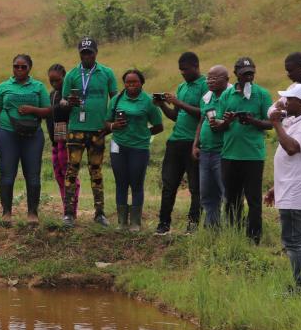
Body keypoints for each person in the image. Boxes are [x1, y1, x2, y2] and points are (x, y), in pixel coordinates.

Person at [265, 84, 301, 293]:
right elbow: (298, 163)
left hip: (297, 193)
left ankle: (300, 289)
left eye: (289, 99)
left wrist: (276, 124)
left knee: (294, 242)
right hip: (295, 189)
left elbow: (291, 148)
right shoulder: (300, 122)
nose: (285, 102)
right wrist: (275, 188)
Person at [213, 57, 272, 244]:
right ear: (236, 73)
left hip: (253, 156)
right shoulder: (226, 95)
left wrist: (253, 121)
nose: (249, 76)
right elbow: (218, 125)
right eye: (245, 73)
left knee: (254, 200)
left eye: (251, 73)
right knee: (231, 198)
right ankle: (234, 234)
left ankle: (254, 238)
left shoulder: (262, 94)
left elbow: (271, 123)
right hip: (230, 155)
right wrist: (228, 121)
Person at [0, 54, 51, 222]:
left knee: (33, 174)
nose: (19, 70)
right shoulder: (3, 87)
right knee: (7, 173)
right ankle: (6, 213)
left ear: (30, 68)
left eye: (24, 67)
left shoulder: (38, 86)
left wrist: (32, 110)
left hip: (33, 135)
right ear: (12, 67)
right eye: (16, 66)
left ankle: (32, 213)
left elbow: (48, 110)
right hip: (7, 133)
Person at [61, 37, 116, 227]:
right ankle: (68, 213)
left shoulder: (107, 73)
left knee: (96, 171)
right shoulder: (72, 74)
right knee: (71, 170)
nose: (87, 56)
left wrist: (110, 123)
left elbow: (114, 98)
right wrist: (69, 102)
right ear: (79, 53)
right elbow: (62, 101)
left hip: (98, 131)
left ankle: (100, 213)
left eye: (90, 52)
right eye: (83, 52)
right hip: (76, 129)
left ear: (96, 53)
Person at [154, 52, 206, 235]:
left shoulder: (206, 85)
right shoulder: (182, 86)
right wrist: (162, 105)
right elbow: (176, 116)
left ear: (196, 66)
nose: (183, 73)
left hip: (194, 142)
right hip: (175, 142)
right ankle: (163, 223)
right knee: (169, 184)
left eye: (185, 70)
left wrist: (179, 102)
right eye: (180, 70)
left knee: (195, 187)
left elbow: (203, 113)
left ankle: (193, 225)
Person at [107, 69, 164, 232]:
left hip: (139, 148)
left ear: (142, 83)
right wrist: (113, 126)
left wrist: (144, 134)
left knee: (136, 183)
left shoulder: (148, 101)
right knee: (121, 183)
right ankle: (122, 222)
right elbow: (106, 122)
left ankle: (135, 223)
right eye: (128, 82)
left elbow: (159, 126)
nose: (131, 85)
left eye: (135, 82)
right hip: (118, 146)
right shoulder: (117, 99)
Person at [192, 65, 231, 229]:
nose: (210, 81)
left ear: (226, 80)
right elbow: (201, 121)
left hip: (222, 152)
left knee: (225, 192)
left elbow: (233, 122)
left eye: (214, 78)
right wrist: (195, 144)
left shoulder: (230, 97)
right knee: (207, 193)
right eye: (208, 78)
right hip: (205, 152)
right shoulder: (206, 98)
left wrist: (223, 123)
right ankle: (212, 227)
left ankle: (230, 227)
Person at [45, 64, 78, 215]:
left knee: (68, 174)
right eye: (51, 81)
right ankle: (66, 207)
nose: (54, 84)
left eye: (57, 80)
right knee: (58, 173)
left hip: (66, 138)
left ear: (64, 76)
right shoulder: (52, 94)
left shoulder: (69, 94)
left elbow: (64, 114)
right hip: (55, 138)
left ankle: (71, 209)